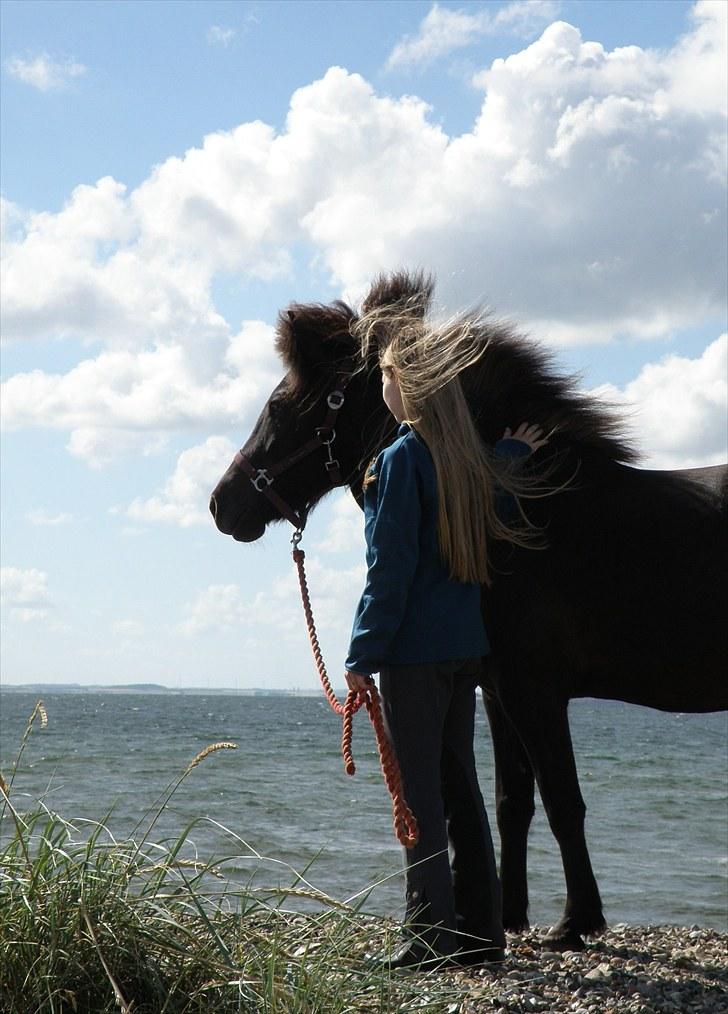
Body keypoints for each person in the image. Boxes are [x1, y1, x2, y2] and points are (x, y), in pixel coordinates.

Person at [344, 312, 548, 971]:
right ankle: (481, 933)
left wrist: (361, 655)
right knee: (460, 789)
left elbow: (390, 569)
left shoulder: (401, 461)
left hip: (412, 657)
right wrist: (512, 454)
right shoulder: (468, 461)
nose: (383, 390)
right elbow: (501, 495)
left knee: (419, 799)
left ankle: (429, 939)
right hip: (465, 652)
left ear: (406, 385)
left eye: (385, 379)